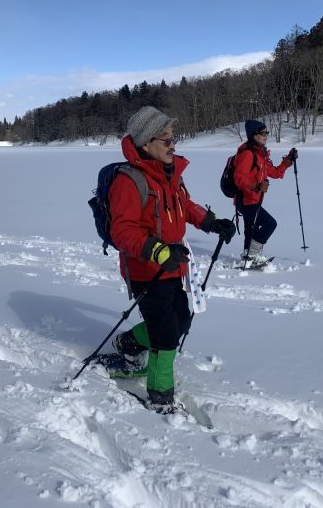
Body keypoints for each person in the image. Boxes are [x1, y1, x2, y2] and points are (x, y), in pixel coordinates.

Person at [108, 106, 236, 414]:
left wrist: (211, 222)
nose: (172, 144)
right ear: (145, 142)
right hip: (145, 268)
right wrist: (158, 250)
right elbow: (121, 231)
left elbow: (184, 205)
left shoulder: (169, 174)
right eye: (164, 139)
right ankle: (160, 395)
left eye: (172, 137)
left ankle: (128, 343)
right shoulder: (129, 180)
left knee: (181, 318)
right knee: (166, 335)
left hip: (173, 265)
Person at [233, 119, 298, 268]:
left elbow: (275, 172)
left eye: (266, 132)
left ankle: (248, 258)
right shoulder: (248, 154)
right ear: (254, 135)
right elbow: (239, 178)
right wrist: (256, 186)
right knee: (270, 224)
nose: (266, 135)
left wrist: (288, 160)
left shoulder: (260, 154)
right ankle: (252, 254)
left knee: (251, 229)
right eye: (263, 133)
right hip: (246, 199)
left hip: (253, 199)